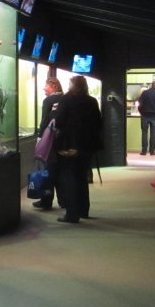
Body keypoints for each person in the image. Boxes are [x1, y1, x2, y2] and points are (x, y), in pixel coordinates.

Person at [52, 76, 103, 223]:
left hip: (70, 145)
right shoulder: (92, 101)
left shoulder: (67, 100)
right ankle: (83, 210)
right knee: (82, 177)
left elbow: (59, 121)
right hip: (87, 146)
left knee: (70, 178)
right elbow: (98, 123)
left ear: (73, 85)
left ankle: (72, 213)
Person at [32, 77, 64, 209]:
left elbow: (44, 120)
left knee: (47, 170)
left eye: (46, 86)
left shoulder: (48, 100)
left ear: (54, 86)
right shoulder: (65, 99)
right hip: (62, 141)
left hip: (50, 141)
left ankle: (46, 200)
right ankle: (64, 201)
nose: (44, 88)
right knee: (61, 172)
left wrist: (39, 139)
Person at [136, 78, 155, 155]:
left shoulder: (145, 93)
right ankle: (152, 151)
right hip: (154, 116)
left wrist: (141, 112)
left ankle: (144, 151)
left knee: (144, 133)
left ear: (151, 85)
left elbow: (139, 103)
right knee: (153, 134)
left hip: (144, 115)